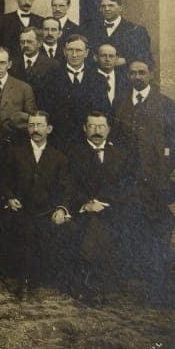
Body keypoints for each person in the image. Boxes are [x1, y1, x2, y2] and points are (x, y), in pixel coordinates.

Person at [113, 59, 175, 303]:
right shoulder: (121, 104)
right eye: (132, 73)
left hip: (154, 181)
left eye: (142, 72)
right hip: (127, 179)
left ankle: (156, 279)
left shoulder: (166, 105)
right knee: (129, 223)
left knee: (156, 226)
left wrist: (161, 171)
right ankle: (131, 275)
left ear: (151, 74)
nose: (137, 77)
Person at [57, 110, 136, 304]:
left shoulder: (121, 155)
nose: (96, 131)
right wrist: (86, 204)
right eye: (92, 126)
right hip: (83, 210)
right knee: (92, 225)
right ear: (85, 128)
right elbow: (68, 186)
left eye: (101, 126)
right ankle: (93, 284)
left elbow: (126, 188)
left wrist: (105, 205)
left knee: (101, 227)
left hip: (111, 210)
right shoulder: (73, 153)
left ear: (108, 129)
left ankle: (90, 282)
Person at [0, 109, 70, 299]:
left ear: (49, 129)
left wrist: (61, 209)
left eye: (39, 125)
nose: (35, 129)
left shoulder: (59, 157)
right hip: (20, 209)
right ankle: (23, 282)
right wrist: (9, 198)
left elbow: (64, 188)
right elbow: (3, 182)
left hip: (46, 211)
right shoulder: (14, 152)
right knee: (25, 230)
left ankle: (43, 279)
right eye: (31, 125)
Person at [36, 32, 96, 152]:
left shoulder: (97, 79)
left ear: (86, 53)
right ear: (64, 51)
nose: (74, 54)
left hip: (87, 140)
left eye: (78, 50)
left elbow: (102, 109)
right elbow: (44, 109)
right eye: (70, 50)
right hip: (58, 140)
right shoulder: (50, 77)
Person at [96, 0, 152, 68]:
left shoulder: (136, 30)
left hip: (125, 75)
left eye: (111, 5)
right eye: (103, 6)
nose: (107, 9)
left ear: (120, 8)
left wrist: (126, 60)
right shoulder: (93, 30)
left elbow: (146, 56)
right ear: (100, 9)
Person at [9, 26, 59, 96]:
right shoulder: (11, 64)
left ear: (39, 43)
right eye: (22, 42)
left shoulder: (52, 65)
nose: (25, 45)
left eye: (29, 42)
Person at [91, 42, 129, 114]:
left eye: (111, 56)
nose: (107, 59)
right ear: (96, 58)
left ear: (116, 59)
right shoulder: (88, 78)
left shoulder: (124, 80)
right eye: (103, 56)